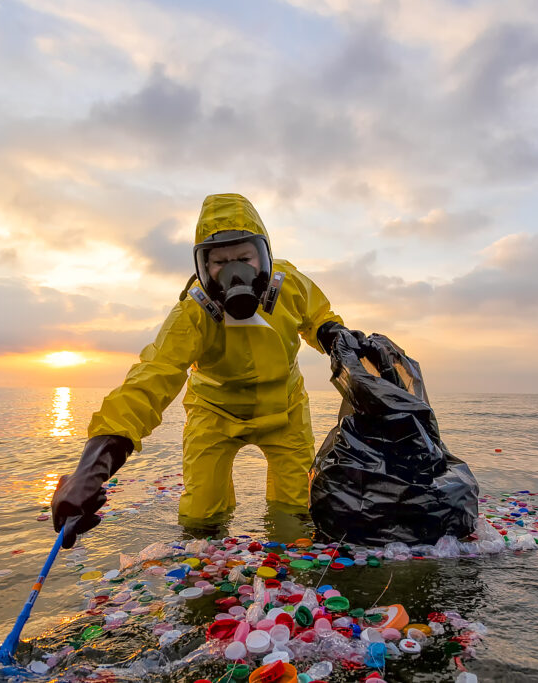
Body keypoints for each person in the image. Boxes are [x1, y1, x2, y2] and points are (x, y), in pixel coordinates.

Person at [51, 193, 360, 548]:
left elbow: (319, 318)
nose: (235, 271)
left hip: (284, 411)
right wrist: (92, 468)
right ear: (202, 267)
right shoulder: (193, 314)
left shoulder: (287, 285)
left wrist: (338, 338)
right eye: (220, 262)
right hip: (213, 414)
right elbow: (151, 378)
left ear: (264, 256)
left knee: (295, 510)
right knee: (201, 517)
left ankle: (288, 573)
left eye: (244, 258)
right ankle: (206, 586)